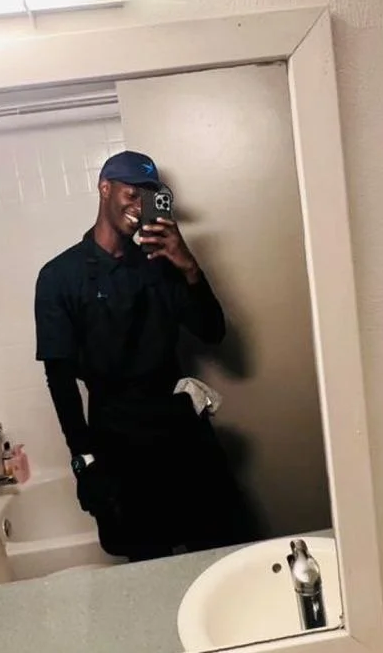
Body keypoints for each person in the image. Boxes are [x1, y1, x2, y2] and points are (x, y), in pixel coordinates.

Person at [34, 151, 253, 561]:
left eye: (148, 197)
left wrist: (189, 267)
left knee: (220, 549)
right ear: (105, 188)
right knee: (148, 564)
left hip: (179, 429)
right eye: (131, 193)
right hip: (117, 440)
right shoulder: (59, 276)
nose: (138, 206)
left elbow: (213, 331)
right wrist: (84, 458)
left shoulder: (161, 264)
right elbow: (59, 380)